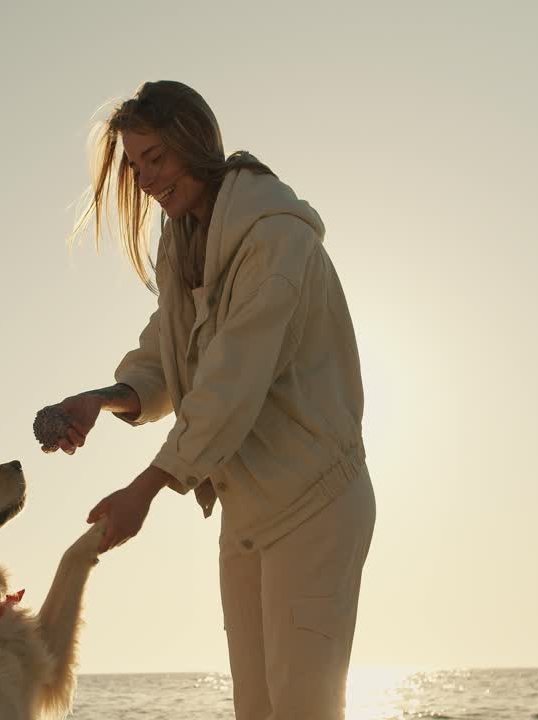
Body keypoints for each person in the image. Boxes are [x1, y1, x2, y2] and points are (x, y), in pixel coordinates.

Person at [35, 80, 376, 720]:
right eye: (136, 167)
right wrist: (99, 400)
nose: (147, 180)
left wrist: (147, 487)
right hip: (246, 511)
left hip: (316, 500)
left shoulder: (274, 236)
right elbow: (166, 355)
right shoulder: (184, 239)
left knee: (305, 707)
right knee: (256, 709)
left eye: (155, 158)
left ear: (195, 142)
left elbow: (230, 382)